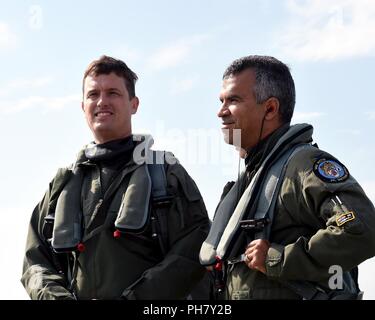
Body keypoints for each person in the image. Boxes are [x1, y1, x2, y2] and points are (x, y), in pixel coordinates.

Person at [21, 55, 210, 300]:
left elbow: (195, 245)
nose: (102, 102)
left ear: (134, 104)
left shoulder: (165, 173)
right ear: (82, 106)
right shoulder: (64, 184)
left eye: (113, 93)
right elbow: (34, 262)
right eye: (93, 95)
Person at [200, 55, 375, 300]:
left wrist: (278, 259)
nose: (221, 112)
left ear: (270, 108)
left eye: (234, 100)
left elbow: (362, 230)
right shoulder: (247, 182)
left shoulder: (303, 165)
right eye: (221, 101)